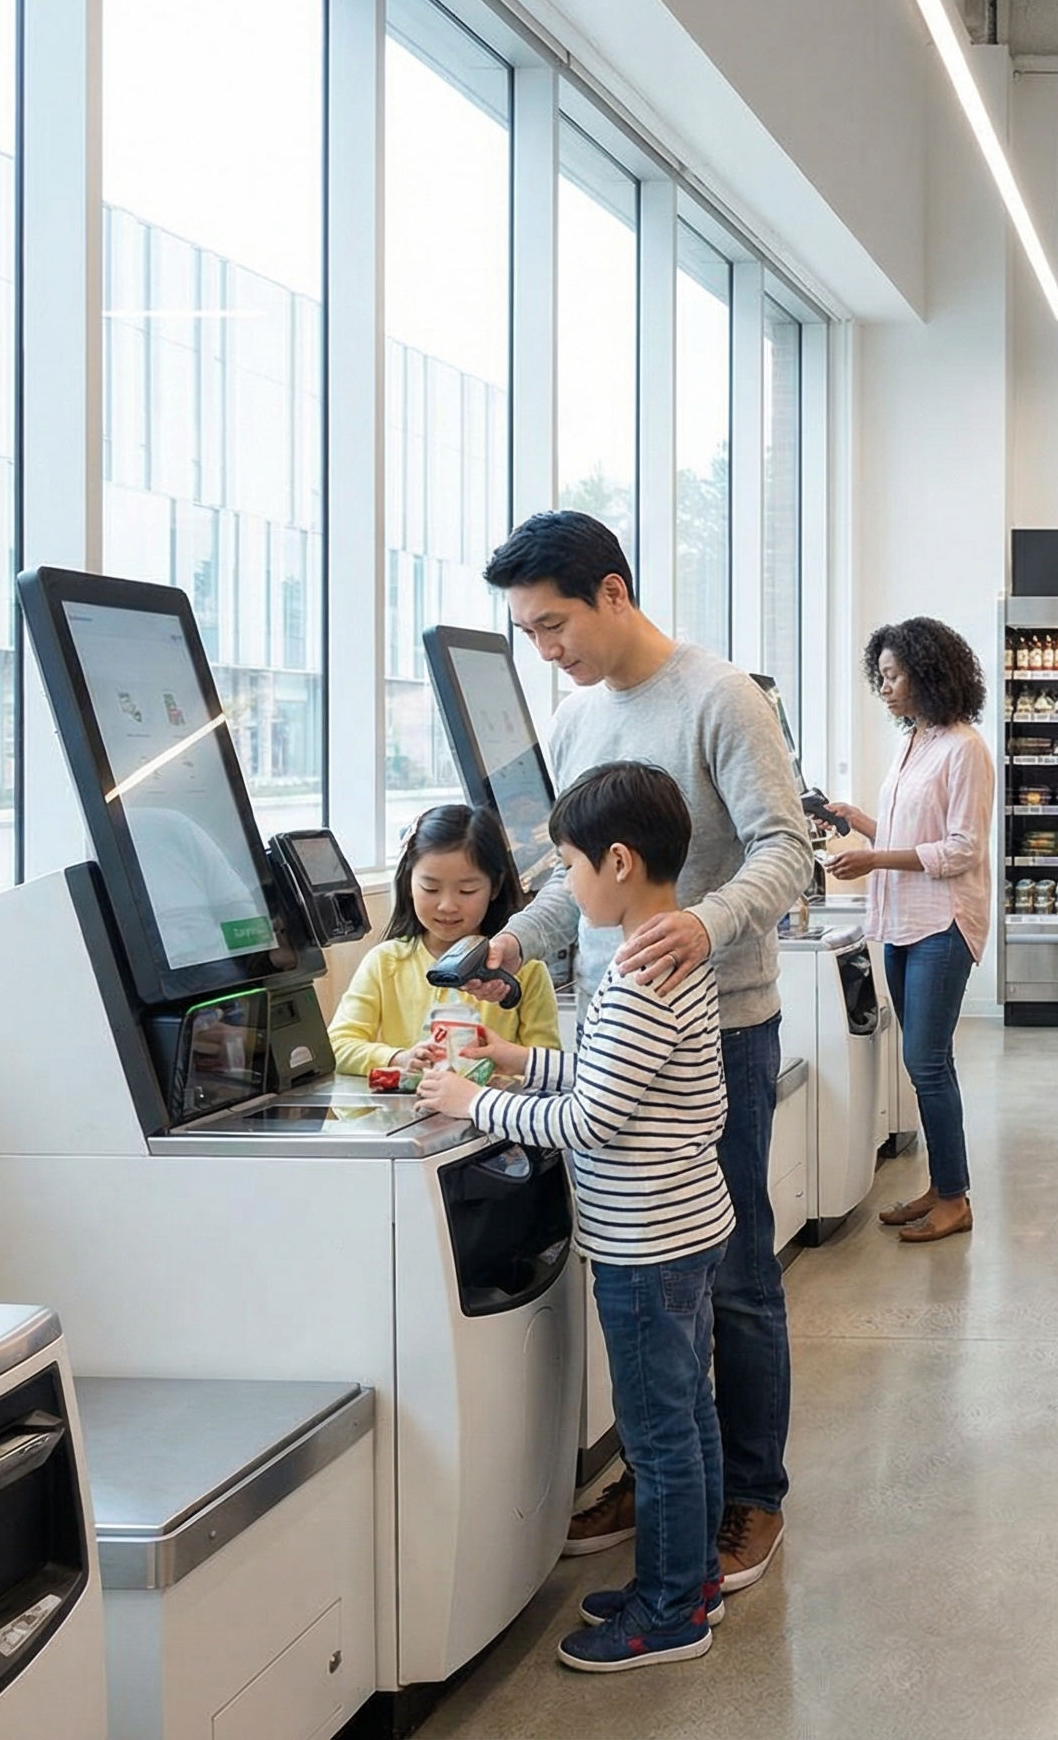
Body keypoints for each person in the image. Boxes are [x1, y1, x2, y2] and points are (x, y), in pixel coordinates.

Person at [476, 511, 807, 1588]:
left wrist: (706, 923)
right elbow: (572, 888)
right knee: (649, 1286)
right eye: (528, 632)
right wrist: (511, 944)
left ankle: (749, 1493)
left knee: (736, 1271)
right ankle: (671, 1474)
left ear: (613, 592)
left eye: (555, 623)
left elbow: (787, 849)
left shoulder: (721, 699)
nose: (547, 649)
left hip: (723, 1030)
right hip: (605, 1033)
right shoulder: (573, 725)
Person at [418, 763, 733, 1672]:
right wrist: (517, 1060)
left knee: (657, 1433)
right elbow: (610, 1080)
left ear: (620, 862)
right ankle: (691, 1579)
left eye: (568, 866)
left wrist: (472, 1101)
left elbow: (594, 1118)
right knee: (689, 1417)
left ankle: (669, 1612)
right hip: (688, 1226)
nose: (565, 884)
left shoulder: (637, 978)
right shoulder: (671, 955)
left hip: (646, 1246)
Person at [824, 617, 994, 1244]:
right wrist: (862, 822)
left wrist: (874, 860)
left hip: (942, 925)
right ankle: (941, 1185)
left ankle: (956, 1199)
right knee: (921, 1060)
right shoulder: (912, 742)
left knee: (927, 1061)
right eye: (882, 676)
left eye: (894, 675)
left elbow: (961, 850)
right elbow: (908, 835)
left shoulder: (965, 749)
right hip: (898, 921)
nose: (886, 687)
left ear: (928, 674)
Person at [327, 804, 560, 1078]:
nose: (447, 905)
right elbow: (336, 1046)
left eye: (466, 890)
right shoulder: (386, 962)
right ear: (409, 883)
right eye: (431, 888)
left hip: (491, 1116)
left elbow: (547, 1064)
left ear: (494, 887)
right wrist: (398, 1058)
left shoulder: (524, 969)